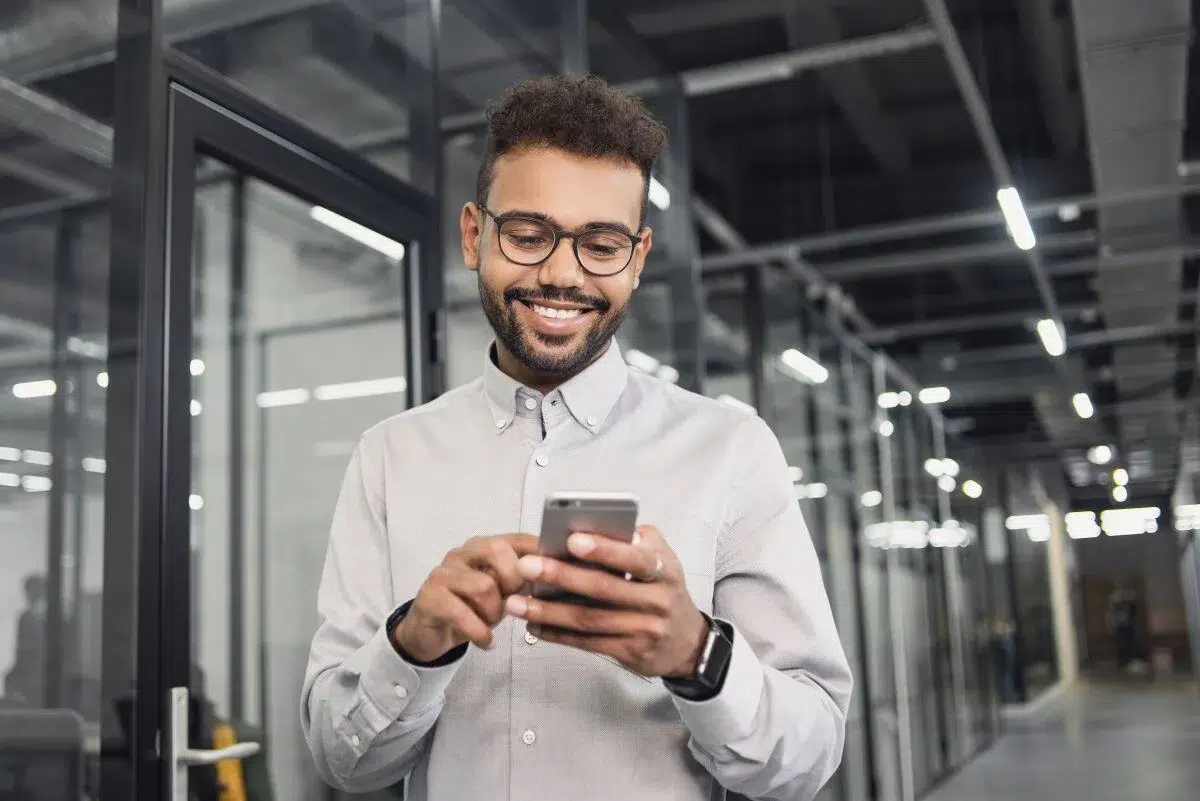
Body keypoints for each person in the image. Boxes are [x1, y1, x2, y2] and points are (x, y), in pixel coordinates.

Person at [301, 74, 852, 801]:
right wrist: (413, 644)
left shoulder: (730, 449)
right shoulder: (390, 456)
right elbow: (343, 761)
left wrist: (697, 653)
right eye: (528, 235)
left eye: (600, 244)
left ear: (639, 255)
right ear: (475, 235)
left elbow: (810, 757)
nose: (561, 274)